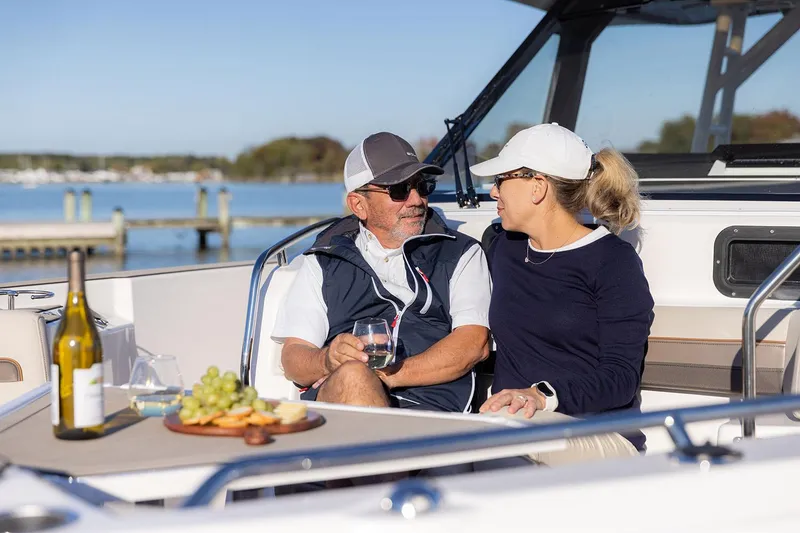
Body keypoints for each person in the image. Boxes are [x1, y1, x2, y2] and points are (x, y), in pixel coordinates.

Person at [470, 122, 655, 463]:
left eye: (500, 181)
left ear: (537, 186)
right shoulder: (503, 247)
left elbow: (620, 378)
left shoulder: (613, 262)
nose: (494, 193)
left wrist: (541, 397)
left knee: (499, 436)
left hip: (598, 436)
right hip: (512, 426)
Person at [272, 131, 492, 416]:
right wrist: (328, 360)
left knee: (356, 375)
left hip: (431, 411)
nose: (416, 200)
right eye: (399, 190)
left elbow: (473, 345)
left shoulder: (462, 253)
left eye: (423, 186)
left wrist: (386, 376)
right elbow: (294, 358)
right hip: (344, 403)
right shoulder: (322, 261)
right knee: (352, 376)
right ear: (358, 205)